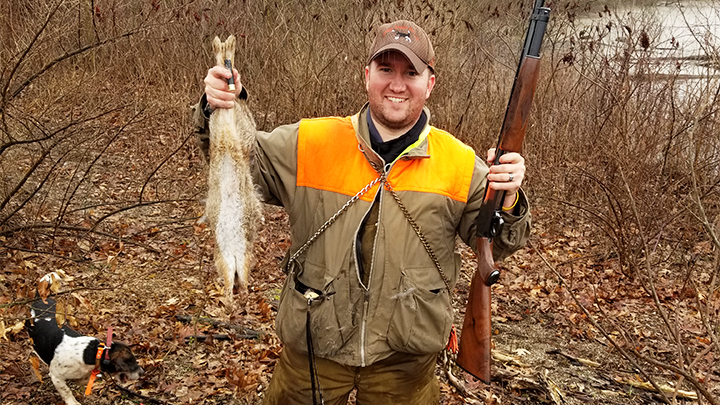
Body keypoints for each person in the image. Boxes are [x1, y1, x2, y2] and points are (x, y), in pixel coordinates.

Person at [194, 20, 531, 405]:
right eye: (386, 69)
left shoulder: (460, 163)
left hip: (405, 360)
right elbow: (238, 164)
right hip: (312, 349)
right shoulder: (311, 141)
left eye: (411, 73)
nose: (397, 84)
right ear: (367, 74)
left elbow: (496, 244)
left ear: (430, 83)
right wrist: (218, 110)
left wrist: (507, 196)